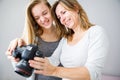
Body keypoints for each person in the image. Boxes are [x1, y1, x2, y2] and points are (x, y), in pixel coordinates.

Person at [28, 0, 109, 80]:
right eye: (59, 17)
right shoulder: (66, 38)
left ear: (76, 8)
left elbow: (92, 73)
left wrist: (54, 71)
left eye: (63, 12)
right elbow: (53, 60)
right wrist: (28, 57)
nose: (62, 20)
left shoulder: (95, 32)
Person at [6, 0, 64, 80]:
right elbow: (22, 69)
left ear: (51, 10)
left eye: (45, 13)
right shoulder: (30, 38)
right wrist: (15, 60)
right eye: (37, 18)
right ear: (34, 20)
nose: (43, 19)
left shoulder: (66, 34)